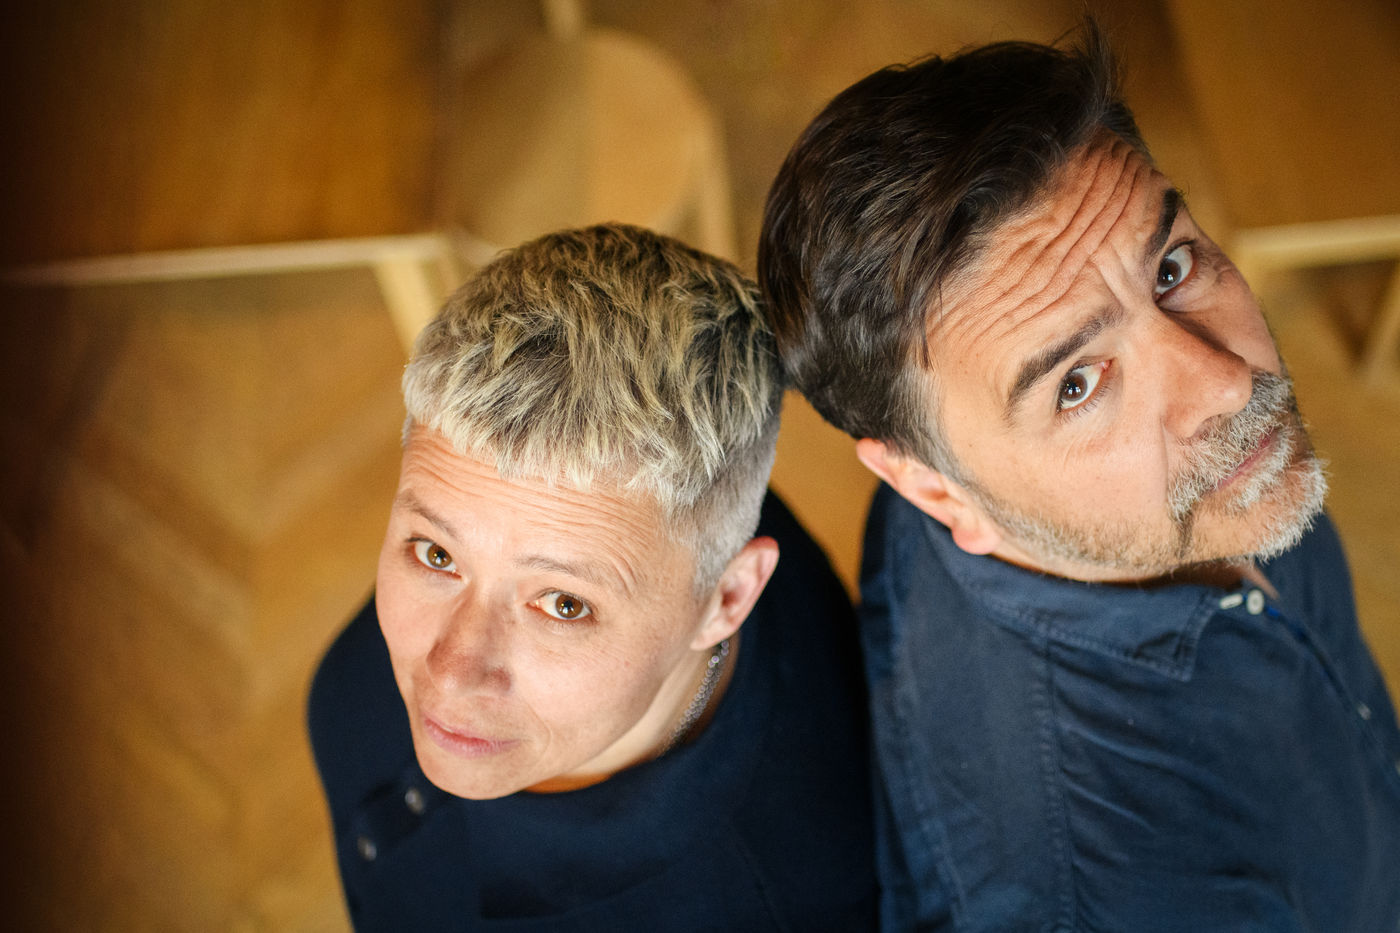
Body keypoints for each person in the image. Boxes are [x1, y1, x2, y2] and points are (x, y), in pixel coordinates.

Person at [758, 22, 1400, 933]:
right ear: (933, 489)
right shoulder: (1105, 896)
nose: (1225, 382)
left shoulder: (1003, 464)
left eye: (1171, 267)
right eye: (1078, 382)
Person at [308, 224, 876, 929]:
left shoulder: (768, 904)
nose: (449, 671)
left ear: (727, 597)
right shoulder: (670, 518)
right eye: (437, 555)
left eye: (563, 604)